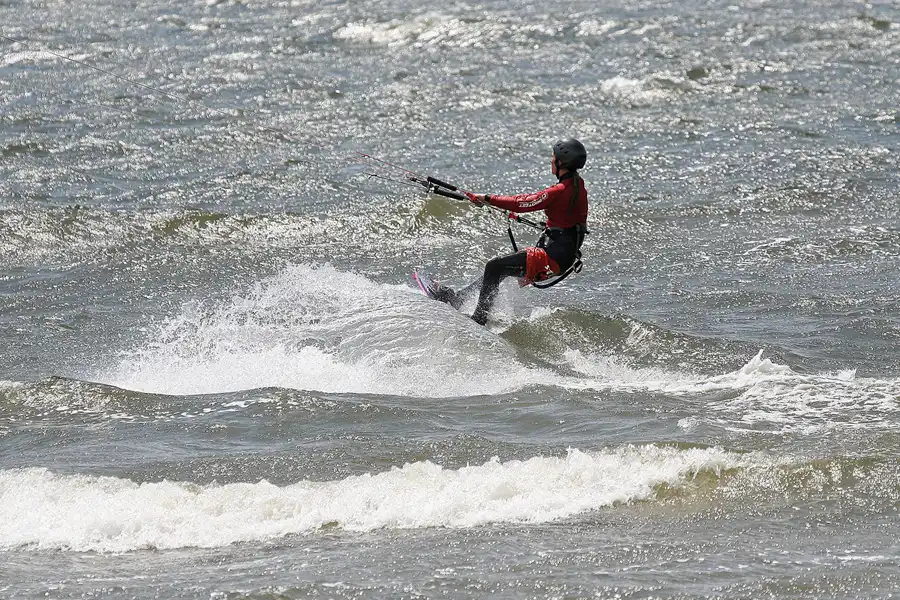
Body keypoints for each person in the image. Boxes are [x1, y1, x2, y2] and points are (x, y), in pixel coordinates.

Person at [430, 138, 589, 325]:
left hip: (552, 257)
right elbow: (566, 219)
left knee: (494, 267)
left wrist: (487, 198)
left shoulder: (560, 190)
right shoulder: (578, 185)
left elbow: (522, 203)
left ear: (561, 162)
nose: (551, 161)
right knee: (498, 270)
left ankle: (479, 318)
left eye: (553, 158)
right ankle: (459, 299)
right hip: (562, 255)